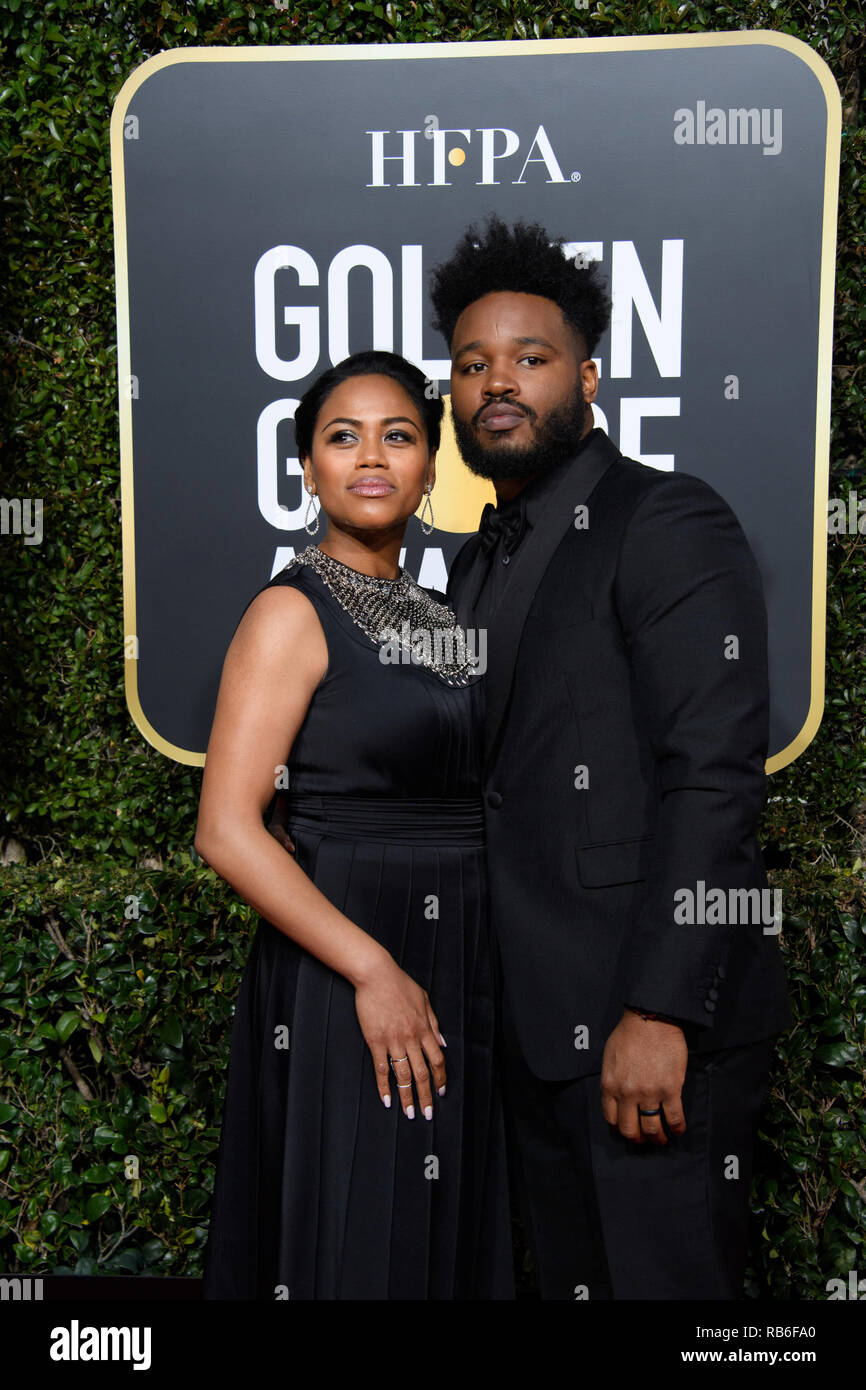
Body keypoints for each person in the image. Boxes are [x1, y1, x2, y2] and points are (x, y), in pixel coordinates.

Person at [429, 217, 791, 1300]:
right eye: (471, 364)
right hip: (525, 1035)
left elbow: (713, 776)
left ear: (586, 376)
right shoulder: (465, 564)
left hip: (643, 1029)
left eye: (528, 360)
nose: (498, 382)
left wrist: (661, 1010)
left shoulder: (663, 518)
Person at [195, 349, 513, 1300]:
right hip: (351, 969)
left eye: (399, 435)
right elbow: (226, 827)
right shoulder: (290, 613)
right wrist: (373, 969)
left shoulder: (446, 614)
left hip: (460, 960)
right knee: (361, 1238)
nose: (371, 456)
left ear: (428, 466)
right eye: (343, 437)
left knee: (437, 1237)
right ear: (307, 469)